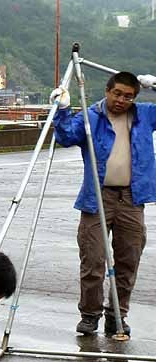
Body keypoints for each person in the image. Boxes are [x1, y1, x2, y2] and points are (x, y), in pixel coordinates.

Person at [51, 70, 156, 337]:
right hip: (97, 197)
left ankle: (117, 316)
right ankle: (89, 315)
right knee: (93, 260)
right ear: (107, 91)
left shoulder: (144, 114)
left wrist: (155, 86)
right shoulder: (91, 116)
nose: (122, 100)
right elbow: (65, 137)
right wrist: (62, 108)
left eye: (129, 96)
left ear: (135, 97)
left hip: (132, 199)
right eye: (118, 93)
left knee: (128, 260)